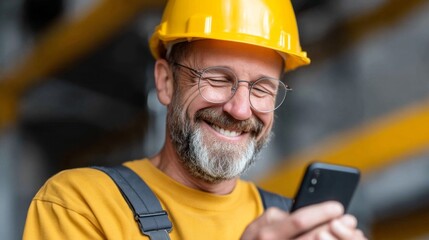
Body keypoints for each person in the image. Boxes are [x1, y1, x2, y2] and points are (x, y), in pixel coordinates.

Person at [23, 0, 367, 239]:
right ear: (166, 82)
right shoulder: (80, 205)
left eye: (263, 88)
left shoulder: (291, 226)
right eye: (218, 79)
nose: (241, 109)